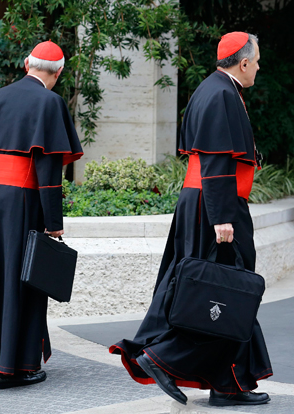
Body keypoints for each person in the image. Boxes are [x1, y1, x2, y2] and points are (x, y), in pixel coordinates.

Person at [109, 32, 272, 407]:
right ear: (243, 63)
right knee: (225, 291)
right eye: (257, 60)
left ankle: (227, 384)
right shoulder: (220, 94)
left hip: (205, 202)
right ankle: (164, 358)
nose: (259, 67)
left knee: (223, 291)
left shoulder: (213, 88)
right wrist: (222, 218)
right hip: (215, 206)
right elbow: (216, 161)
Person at [0, 41, 83, 389]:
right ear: (59, 71)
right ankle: (14, 368)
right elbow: (48, 171)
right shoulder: (50, 103)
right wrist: (54, 224)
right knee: (23, 281)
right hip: (25, 199)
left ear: (26, 63)